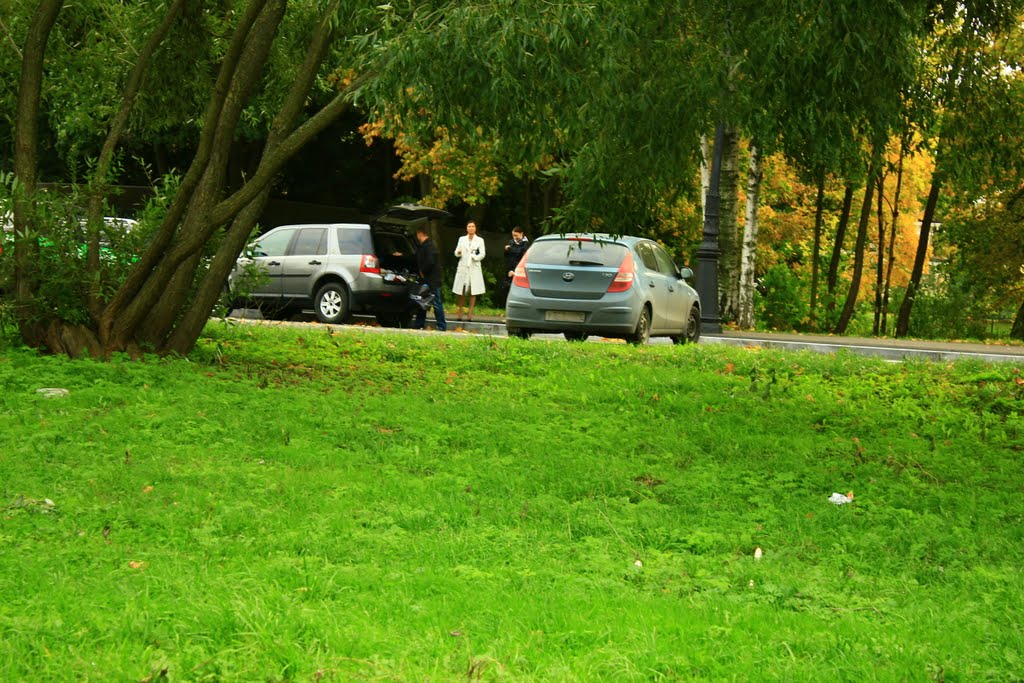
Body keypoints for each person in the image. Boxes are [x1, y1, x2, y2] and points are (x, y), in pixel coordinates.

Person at [412, 225, 447, 331]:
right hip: (428, 279)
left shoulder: (428, 246)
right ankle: (419, 324)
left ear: (420, 234)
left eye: (417, 234)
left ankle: (441, 325)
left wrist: (423, 271)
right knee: (423, 301)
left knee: (436, 303)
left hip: (432, 280)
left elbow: (430, 262)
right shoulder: (425, 246)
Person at [452, 219, 486, 321]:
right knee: (460, 290)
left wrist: (474, 257)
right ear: (466, 228)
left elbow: (482, 254)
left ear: (475, 228)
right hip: (463, 266)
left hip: (474, 267)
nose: (471, 228)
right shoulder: (462, 239)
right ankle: (460, 310)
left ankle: (470, 312)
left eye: (473, 226)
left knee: (473, 291)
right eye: (469, 226)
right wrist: (458, 252)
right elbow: (456, 252)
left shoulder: (480, 240)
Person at [501, 226, 529, 307]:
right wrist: (506, 250)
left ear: (521, 234)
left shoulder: (526, 245)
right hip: (508, 269)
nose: (514, 238)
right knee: (506, 289)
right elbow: (506, 256)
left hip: (518, 270)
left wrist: (514, 271)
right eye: (513, 236)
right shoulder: (511, 242)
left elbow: (523, 260)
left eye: (516, 235)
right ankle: (505, 306)